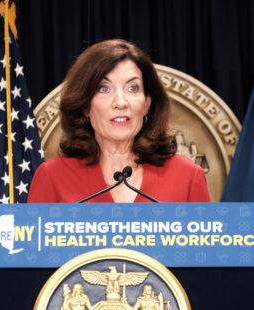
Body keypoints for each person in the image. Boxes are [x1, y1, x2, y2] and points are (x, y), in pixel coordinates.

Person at [27, 39, 210, 203]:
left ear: (146, 103)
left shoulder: (187, 177)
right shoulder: (53, 177)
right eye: (103, 88)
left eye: (132, 88)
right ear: (84, 106)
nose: (120, 102)